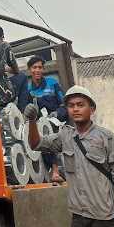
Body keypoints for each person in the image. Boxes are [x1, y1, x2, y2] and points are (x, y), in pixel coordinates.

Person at [24, 85, 114, 227]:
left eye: (80, 104)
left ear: (92, 109)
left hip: (105, 217)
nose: (75, 109)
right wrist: (32, 121)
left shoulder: (106, 137)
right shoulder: (66, 136)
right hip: (79, 217)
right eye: (71, 105)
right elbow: (36, 144)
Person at [26, 55, 67, 183]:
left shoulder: (52, 83)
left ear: (43, 69)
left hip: (56, 120)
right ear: (29, 70)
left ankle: (55, 170)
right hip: (39, 123)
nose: (37, 70)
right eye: (34, 67)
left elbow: (64, 104)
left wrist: (56, 114)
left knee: (47, 131)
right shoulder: (28, 89)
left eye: (40, 67)